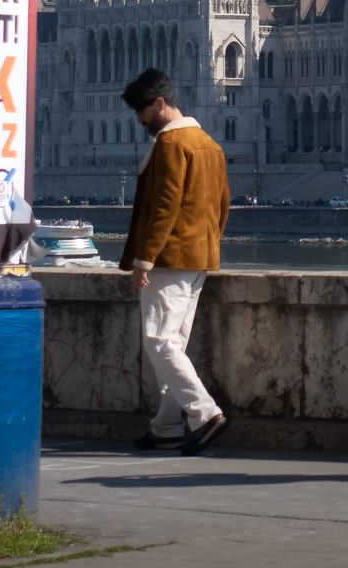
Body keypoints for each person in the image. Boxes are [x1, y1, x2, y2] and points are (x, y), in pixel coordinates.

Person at [118, 67, 231, 454]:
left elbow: (165, 206)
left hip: (169, 258)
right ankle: (166, 426)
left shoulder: (171, 145)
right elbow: (223, 206)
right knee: (174, 344)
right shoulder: (209, 144)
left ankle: (205, 414)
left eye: (141, 111)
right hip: (199, 258)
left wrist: (145, 258)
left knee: (159, 340)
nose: (138, 119)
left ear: (160, 104)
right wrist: (209, 246)